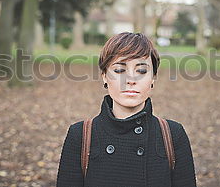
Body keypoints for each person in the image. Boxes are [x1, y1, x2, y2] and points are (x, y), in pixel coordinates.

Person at [56, 32, 197, 187]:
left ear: (153, 78)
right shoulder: (80, 136)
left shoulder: (173, 135)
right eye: (119, 70)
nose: (131, 80)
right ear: (104, 76)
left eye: (141, 71)